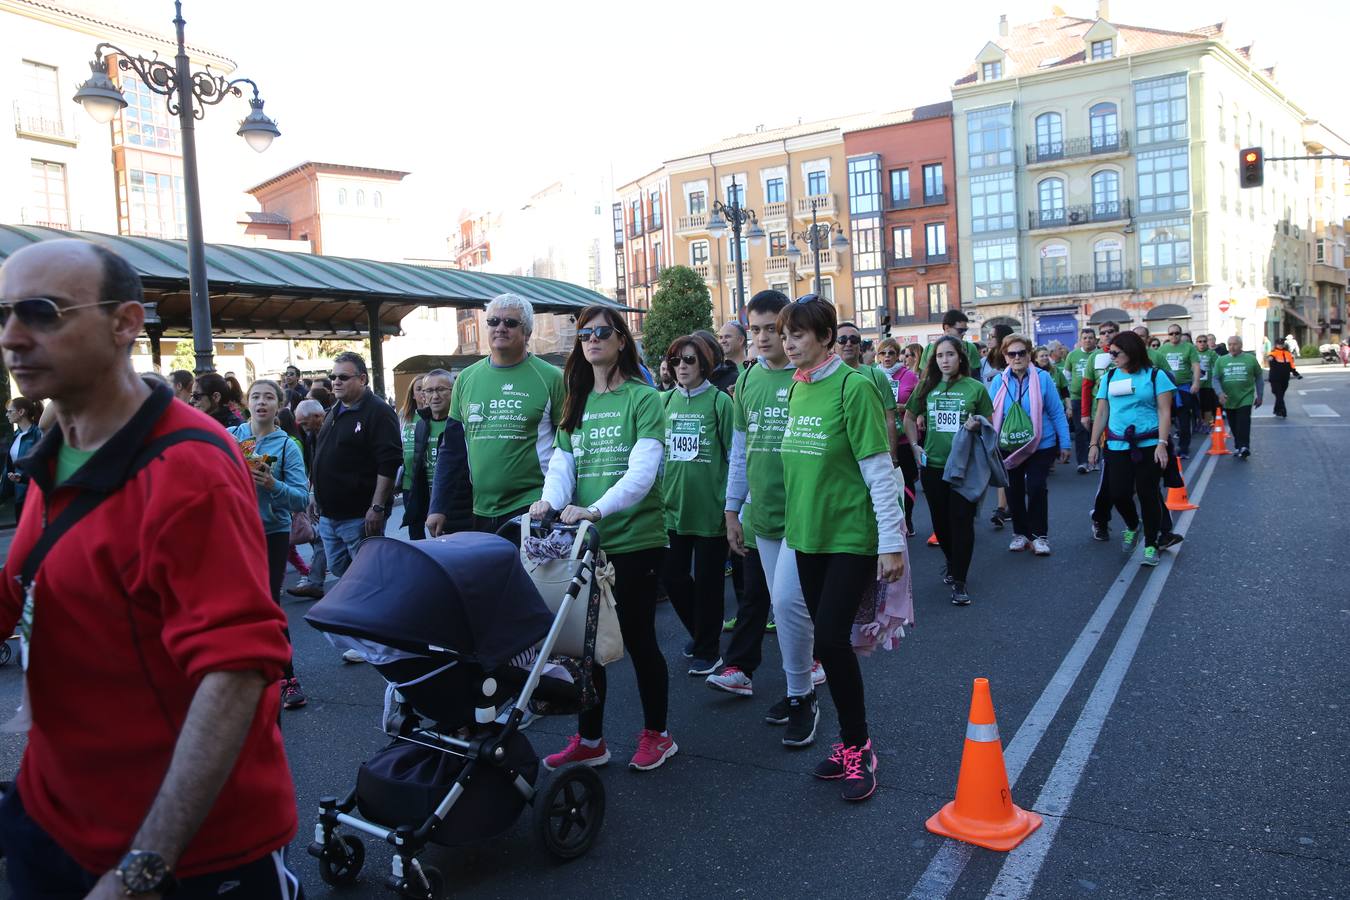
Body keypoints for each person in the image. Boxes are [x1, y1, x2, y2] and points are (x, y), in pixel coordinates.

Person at [0, 239, 300, 896]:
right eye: (2, 317)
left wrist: (140, 872)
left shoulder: (188, 470)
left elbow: (237, 671)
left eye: (43, 312)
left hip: (177, 855)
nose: (13, 338)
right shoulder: (57, 452)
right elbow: (25, 592)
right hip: (49, 816)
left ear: (126, 323)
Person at [531, 306, 675, 772]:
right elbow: (562, 466)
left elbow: (642, 473)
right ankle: (591, 739)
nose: (592, 339)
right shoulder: (576, 400)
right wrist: (550, 503)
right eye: (584, 333)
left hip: (635, 539)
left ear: (621, 341)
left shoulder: (643, 398)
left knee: (637, 638)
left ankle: (658, 735)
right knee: (584, 643)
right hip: (585, 542)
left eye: (602, 333)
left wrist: (595, 509)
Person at [777, 295, 904, 802]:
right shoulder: (797, 389)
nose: (788, 343)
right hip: (805, 537)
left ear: (827, 338)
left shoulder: (854, 387)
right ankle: (851, 741)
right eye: (786, 334)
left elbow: (877, 469)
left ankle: (859, 747)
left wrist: (891, 543)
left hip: (851, 537)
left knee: (830, 641)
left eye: (799, 334)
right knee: (823, 644)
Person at [715, 290, 827, 746]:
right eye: (754, 329)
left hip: (809, 515)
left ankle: (802, 693)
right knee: (787, 609)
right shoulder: (746, 381)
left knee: (787, 604)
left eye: (770, 329)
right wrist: (732, 508)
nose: (761, 338)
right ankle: (799, 686)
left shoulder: (811, 378)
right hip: (762, 516)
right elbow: (740, 451)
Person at [432, 293, 564, 536]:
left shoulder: (551, 378)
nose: (500, 328)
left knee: (527, 575)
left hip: (533, 507)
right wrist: (438, 506)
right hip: (481, 509)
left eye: (510, 323)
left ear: (528, 333)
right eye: (493, 322)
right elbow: (451, 450)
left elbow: (567, 447)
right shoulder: (466, 379)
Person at [311, 350, 403, 656]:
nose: (335, 382)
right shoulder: (334, 409)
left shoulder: (377, 411)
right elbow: (322, 455)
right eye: (333, 377)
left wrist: (377, 506)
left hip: (359, 514)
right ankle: (371, 630)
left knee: (367, 578)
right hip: (330, 514)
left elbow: (389, 462)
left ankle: (381, 638)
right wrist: (314, 493)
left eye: (343, 377)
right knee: (344, 571)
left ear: (362, 379)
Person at [228, 379, 311, 711]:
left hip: (271, 532)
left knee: (267, 603)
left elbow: (301, 497)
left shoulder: (287, 445)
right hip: (233, 531)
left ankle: (287, 676)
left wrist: (273, 484)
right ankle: (243, 670)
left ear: (279, 405)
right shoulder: (232, 437)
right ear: (247, 403)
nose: (261, 402)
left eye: (268, 398)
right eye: (255, 397)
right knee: (234, 604)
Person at [660, 336, 734, 676]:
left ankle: (709, 648)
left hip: (711, 510)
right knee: (673, 578)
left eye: (689, 360)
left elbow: (735, 457)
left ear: (704, 363)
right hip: (673, 509)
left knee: (708, 583)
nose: (681, 367)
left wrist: (735, 508)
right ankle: (704, 630)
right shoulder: (664, 402)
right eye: (675, 361)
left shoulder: (720, 403)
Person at [905, 336, 994, 605]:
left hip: (964, 467)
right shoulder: (926, 387)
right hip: (933, 467)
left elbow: (989, 424)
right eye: (940, 356)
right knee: (941, 524)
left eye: (950, 355)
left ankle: (960, 580)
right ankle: (952, 561)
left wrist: (977, 425)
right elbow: (909, 417)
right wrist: (914, 447)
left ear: (961, 358)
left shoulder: (975, 388)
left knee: (962, 521)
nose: (945, 360)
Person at [1087, 331, 1175, 567]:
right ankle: (1133, 525)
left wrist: (1162, 444)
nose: (1111, 357)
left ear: (1131, 351)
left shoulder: (1156, 376)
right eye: (1109, 352)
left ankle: (1151, 544)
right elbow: (1102, 412)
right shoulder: (1109, 377)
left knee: (1148, 494)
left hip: (1149, 444)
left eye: (1115, 353)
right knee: (1118, 493)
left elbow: (1164, 411)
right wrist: (1094, 443)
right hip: (1116, 445)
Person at [989, 335, 1071, 556]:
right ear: (1005, 357)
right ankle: (1021, 533)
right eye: (1012, 354)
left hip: (1040, 444)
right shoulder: (998, 382)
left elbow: (1056, 412)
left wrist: (1065, 443)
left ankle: (1039, 536)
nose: (1017, 357)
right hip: (1008, 446)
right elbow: (990, 414)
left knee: (1036, 487)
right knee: (1013, 491)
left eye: (1022, 353)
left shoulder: (1043, 379)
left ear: (1029, 355)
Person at [404, 369, 470, 541]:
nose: (435, 396)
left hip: (461, 507)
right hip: (429, 504)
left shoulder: (463, 425)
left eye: (441, 389)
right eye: (429, 391)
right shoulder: (421, 425)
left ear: (454, 391)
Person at [836, 322, 899, 459]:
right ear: (833, 346)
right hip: (839, 459)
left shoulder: (877, 376)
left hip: (873, 454)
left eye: (854, 340)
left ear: (860, 347)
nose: (848, 343)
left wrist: (893, 458)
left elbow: (889, 419)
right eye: (842, 340)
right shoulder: (825, 378)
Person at [877, 338, 920, 534]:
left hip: (903, 438)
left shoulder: (909, 376)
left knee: (906, 480)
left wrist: (901, 408)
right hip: (880, 438)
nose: (887, 357)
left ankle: (907, 519)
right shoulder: (873, 375)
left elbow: (920, 404)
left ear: (898, 355)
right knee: (883, 482)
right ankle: (889, 523)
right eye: (883, 353)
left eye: (891, 353)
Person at [287, 398, 329, 600]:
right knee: (322, 539)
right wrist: (312, 494)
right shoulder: (312, 436)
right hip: (323, 497)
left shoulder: (332, 432)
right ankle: (314, 582)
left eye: (304, 423)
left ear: (318, 417)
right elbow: (315, 466)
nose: (302, 428)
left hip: (341, 500)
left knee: (339, 547)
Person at [1213, 335, 1264, 457]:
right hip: (1229, 398)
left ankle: (1244, 446)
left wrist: (1260, 396)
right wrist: (1219, 393)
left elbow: (1259, 377)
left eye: (1235, 344)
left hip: (1245, 397)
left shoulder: (1250, 359)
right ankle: (1238, 445)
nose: (1232, 347)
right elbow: (1215, 379)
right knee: (1234, 424)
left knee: (1244, 421)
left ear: (1241, 345)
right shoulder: (1221, 360)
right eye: (1230, 344)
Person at [1158, 324, 1201, 458]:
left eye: (1177, 333)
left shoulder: (1189, 347)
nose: (1174, 336)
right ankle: (1165, 446)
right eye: (1171, 334)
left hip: (1183, 389)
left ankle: (1183, 448)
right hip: (1166, 391)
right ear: (1168, 335)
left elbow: (1196, 366)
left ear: (1181, 334)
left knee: (1184, 420)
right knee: (1165, 419)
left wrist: (1196, 383)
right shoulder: (1163, 349)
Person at [3, 396, 43, 522]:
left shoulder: (38, 434)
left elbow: (42, 466)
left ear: (21, 412)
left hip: (33, 494)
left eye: (10, 411)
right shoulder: (16, 435)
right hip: (18, 494)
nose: (6, 414)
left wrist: (23, 478)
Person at [1064, 329, 1098, 476]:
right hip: (1077, 397)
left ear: (1095, 340)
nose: (1088, 340)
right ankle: (1082, 462)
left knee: (1096, 429)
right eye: (1085, 338)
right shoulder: (1072, 355)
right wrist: (1071, 397)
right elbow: (1067, 377)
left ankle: (1095, 461)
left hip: (1096, 397)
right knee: (1080, 430)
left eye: (1090, 338)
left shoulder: (1100, 354)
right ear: (1080, 340)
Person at [919, 309, 984, 372]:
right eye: (960, 330)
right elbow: (923, 376)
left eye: (965, 330)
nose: (964, 333)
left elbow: (976, 376)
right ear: (947, 328)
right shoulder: (928, 349)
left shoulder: (970, 347)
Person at [1265, 341, 1301, 418]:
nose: (1280, 345)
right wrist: (1271, 358)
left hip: (1285, 378)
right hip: (1275, 378)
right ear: (1276, 345)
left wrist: (1296, 373)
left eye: (1282, 344)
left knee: (1280, 395)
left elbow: (1291, 365)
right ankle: (1283, 410)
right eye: (1279, 344)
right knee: (1278, 394)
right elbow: (1270, 360)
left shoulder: (1288, 353)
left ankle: (1277, 409)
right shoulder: (1273, 353)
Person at [1195, 333, 1220, 426]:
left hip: (1208, 384)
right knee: (1197, 405)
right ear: (1196, 343)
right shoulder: (1193, 353)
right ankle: (1198, 423)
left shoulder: (1212, 353)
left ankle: (1207, 424)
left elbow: (1216, 367)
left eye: (1204, 341)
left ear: (1207, 343)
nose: (1202, 343)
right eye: (1200, 341)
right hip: (1195, 384)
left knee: (1207, 406)